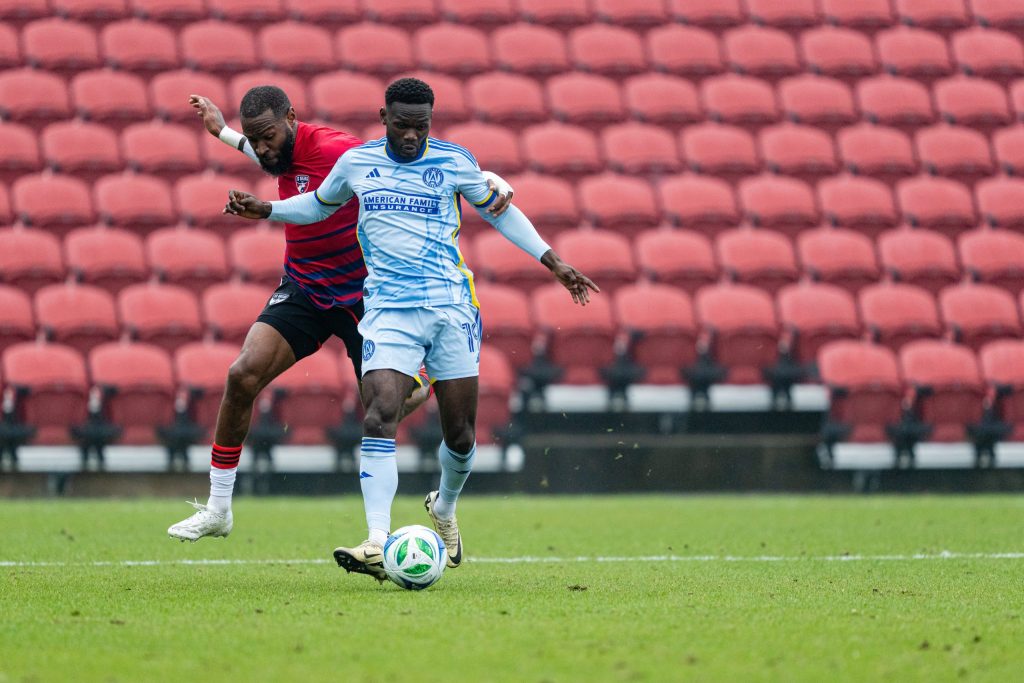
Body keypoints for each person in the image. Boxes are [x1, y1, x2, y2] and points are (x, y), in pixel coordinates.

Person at [222, 77, 599, 580]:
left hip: (450, 309)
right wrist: (268, 209)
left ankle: (443, 508)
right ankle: (377, 540)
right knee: (380, 413)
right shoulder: (357, 164)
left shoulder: (454, 162)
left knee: (461, 436)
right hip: (388, 311)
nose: (410, 137)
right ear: (383, 119)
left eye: (420, 127)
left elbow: (502, 215)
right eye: (401, 126)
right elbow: (318, 205)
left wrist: (554, 262)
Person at [167, 86, 515, 542]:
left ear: (291, 119)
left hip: (363, 295)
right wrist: (225, 134)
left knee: (387, 406)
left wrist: (486, 177)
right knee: (242, 375)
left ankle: (426, 379)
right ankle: (218, 509)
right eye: (257, 138)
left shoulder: (338, 150)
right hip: (305, 287)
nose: (264, 147)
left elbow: (402, 159)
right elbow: (266, 156)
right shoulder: (277, 150)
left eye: (268, 135)